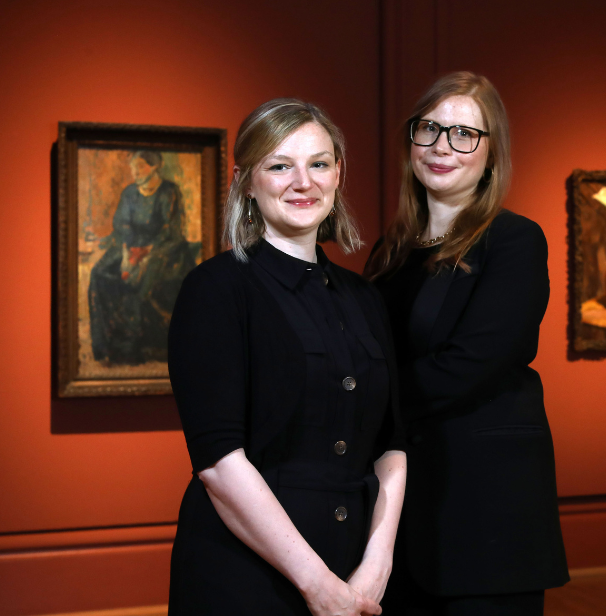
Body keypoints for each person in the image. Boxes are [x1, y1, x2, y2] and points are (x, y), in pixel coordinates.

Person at [167, 98, 406, 616]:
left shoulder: (364, 297)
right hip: (247, 580)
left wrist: (377, 566)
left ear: (338, 174)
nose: (303, 182)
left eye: (319, 164)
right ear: (247, 181)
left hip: (356, 577)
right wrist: (316, 584)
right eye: (280, 166)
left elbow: (392, 445)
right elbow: (218, 463)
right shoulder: (214, 289)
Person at [365, 72, 568, 615]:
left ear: (492, 154)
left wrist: (359, 401)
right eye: (428, 129)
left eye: (463, 135)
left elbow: (475, 362)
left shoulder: (514, 241)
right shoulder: (392, 251)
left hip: (484, 513)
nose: (440, 148)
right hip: (402, 504)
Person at [89, 150, 200, 365]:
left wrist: (148, 251)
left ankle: (138, 345)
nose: (135, 172)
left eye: (139, 166)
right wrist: (127, 251)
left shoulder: (169, 191)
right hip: (129, 246)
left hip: (163, 249)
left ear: (155, 165)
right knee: (99, 273)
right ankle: (108, 344)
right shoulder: (129, 193)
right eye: (132, 168)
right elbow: (121, 225)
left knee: (146, 280)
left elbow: (172, 231)